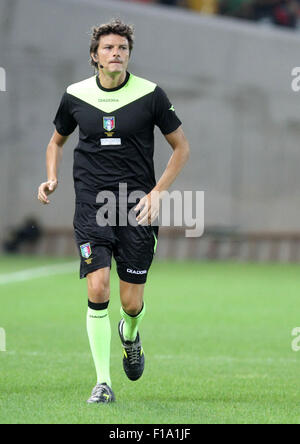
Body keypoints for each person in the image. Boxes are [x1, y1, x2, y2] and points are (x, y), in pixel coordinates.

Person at [38, 19, 190, 404]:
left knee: (131, 303)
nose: (116, 53)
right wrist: (51, 177)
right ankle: (103, 383)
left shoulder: (151, 95)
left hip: (135, 206)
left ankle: (131, 333)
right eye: (108, 48)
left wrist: (157, 193)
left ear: (128, 55)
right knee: (98, 286)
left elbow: (182, 148)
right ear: (94, 56)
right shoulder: (75, 96)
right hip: (91, 203)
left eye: (122, 47)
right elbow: (55, 143)